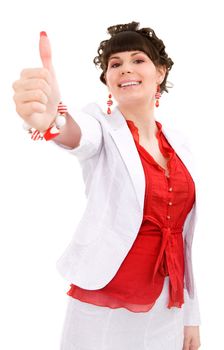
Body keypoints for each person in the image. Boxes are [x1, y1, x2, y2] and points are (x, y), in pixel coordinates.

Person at [12, 21, 201, 350]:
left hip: (167, 309)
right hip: (104, 306)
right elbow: (76, 134)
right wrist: (52, 120)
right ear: (108, 81)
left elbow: (183, 240)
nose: (125, 68)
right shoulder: (101, 126)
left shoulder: (180, 145)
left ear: (160, 71)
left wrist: (191, 317)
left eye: (137, 59)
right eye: (115, 64)